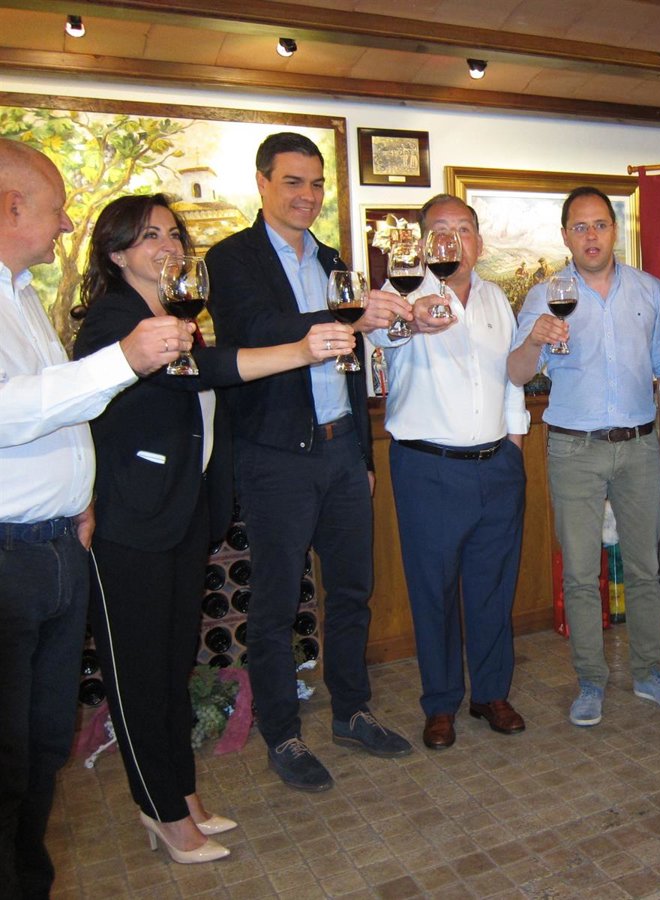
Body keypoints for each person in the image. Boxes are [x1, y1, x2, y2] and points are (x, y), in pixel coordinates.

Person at [72, 194, 354, 862]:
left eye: (173, 234)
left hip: (179, 515)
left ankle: (182, 794)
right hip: (131, 524)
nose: (168, 246)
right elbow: (205, 372)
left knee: (174, 665)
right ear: (117, 252)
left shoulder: (172, 317)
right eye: (150, 237)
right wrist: (299, 350)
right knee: (140, 677)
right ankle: (162, 812)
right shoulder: (115, 319)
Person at [0, 140, 191, 897]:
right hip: (9, 556)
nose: (65, 222)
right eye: (56, 208)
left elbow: (60, 410)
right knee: (6, 758)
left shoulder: (22, 297)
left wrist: (79, 493)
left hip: (56, 545)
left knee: (42, 748)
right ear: (12, 205)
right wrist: (124, 360)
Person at [206, 132, 413, 792]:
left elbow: (350, 362)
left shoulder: (332, 259)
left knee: (352, 591)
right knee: (274, 605)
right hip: (275, 457)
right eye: (293, 181)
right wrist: (347, 314)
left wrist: (360, 453)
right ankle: (283, 733)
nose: (308, 195)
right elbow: (258, 328)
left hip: (341, 449)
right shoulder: (230, 258)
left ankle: (351, 711)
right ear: (262, 183)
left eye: (317, 183)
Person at [508, 186, 660, 726]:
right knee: (580, 572)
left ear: (615, 230)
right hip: (573, 448)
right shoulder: (546, 295)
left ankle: (649, 673)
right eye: (580, 227)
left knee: (645, 568)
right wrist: (535, 340)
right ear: (566, 236)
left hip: (638, 445)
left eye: (600, 225)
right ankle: (590, 680)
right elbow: (516, 373)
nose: (591, 236)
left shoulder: (650, 290)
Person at [369, 194, 529, 750]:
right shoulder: (401, 293)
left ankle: (491, 693)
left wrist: (513, 447)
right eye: (440, 229)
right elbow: (378, 336)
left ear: (478, 242)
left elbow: (510, 378)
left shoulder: (495, 299)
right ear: (421, 242)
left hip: (497, 466)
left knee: (492, 588)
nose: (453, 240)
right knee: (433, 593)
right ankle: (440, 703)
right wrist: (409, 323)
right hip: (428, 468)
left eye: (464, 229)